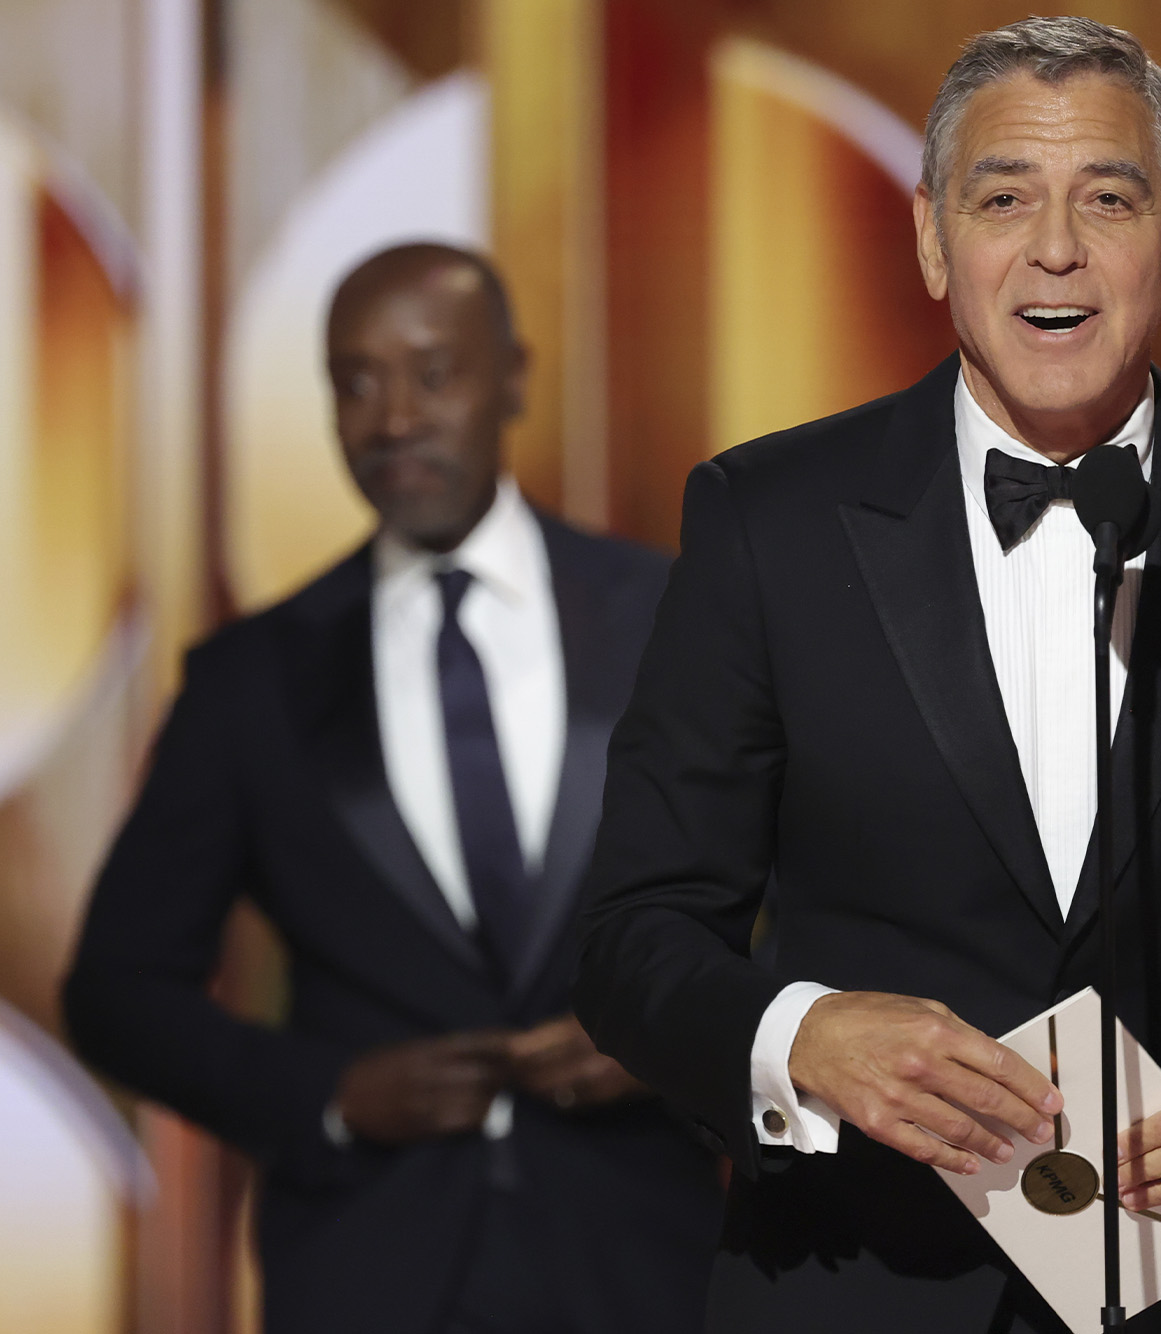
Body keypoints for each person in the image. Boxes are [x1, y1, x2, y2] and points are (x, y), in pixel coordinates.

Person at [576, 17, 1161, 1332]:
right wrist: (802, 1036)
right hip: (857, 1288)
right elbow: (634, 936)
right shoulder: (766, 518)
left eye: (1106, 199)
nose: (1055, 248)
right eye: (1005, 198)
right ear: (935, 240)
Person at [63, 243, 721, 1334]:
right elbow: (117, 989)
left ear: (511, 376)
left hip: (644, 1261)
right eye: (355, 381)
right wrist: (326, 1092)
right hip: (365, 1271)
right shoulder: (252, 680)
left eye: (431, 371)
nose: (393, 416)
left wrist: (677, 1033)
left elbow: (810, 901)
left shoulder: (673, 612)